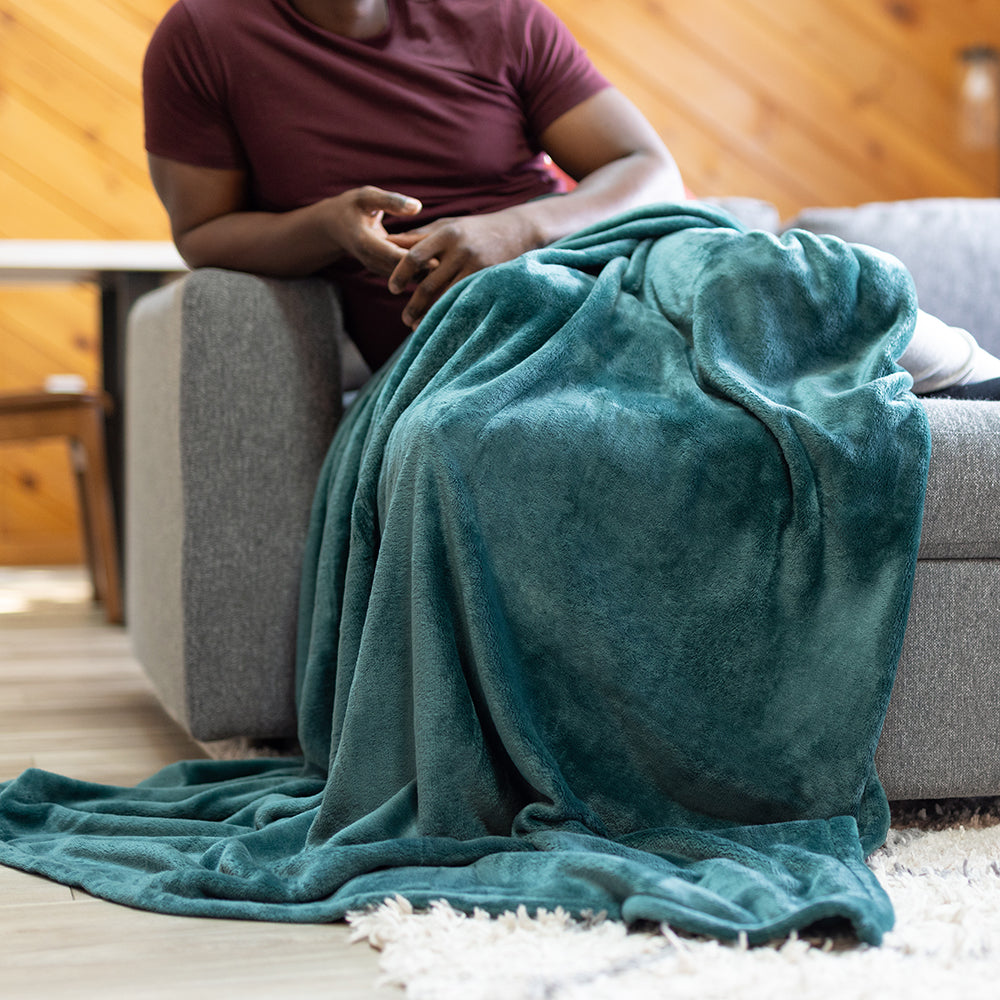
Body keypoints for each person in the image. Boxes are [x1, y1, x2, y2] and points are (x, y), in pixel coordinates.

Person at [141, 0, 1000, 395]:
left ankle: (975, 383)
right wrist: (325, 228)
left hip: (601, 251)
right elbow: (204, 231)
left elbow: (647, 168)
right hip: (464, 327)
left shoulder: (498, 16)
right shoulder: (205, 37)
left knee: (777, 276)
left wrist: (514, 227)